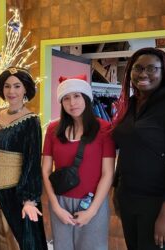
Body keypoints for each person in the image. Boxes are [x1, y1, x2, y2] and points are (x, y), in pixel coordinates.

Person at [112, 47, 165, 250]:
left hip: (158, 202)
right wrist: (117, 189)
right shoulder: (132, 104)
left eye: (152, 69)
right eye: (138, 68)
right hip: (129, 198)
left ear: (164, 71)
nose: (143, 74)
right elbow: (126, 149)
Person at [41, 75, 115, 250]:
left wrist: (92, 211)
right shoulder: (53, 129)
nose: (72, 103)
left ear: (86, 98)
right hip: (60, 202)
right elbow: (45, 170)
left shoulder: (104, 128)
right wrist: (56, 207)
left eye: (77, 96)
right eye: (66, 98)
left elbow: (108, 173)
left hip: (92, 202)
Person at [0, 67, 47, 250]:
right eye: (7, 86)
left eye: (17, 86)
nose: (12, 91)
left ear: (26, 89)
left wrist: (29, 199)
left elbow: (32, 162)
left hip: (14, 194)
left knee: (13, 243)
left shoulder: (31, 121)